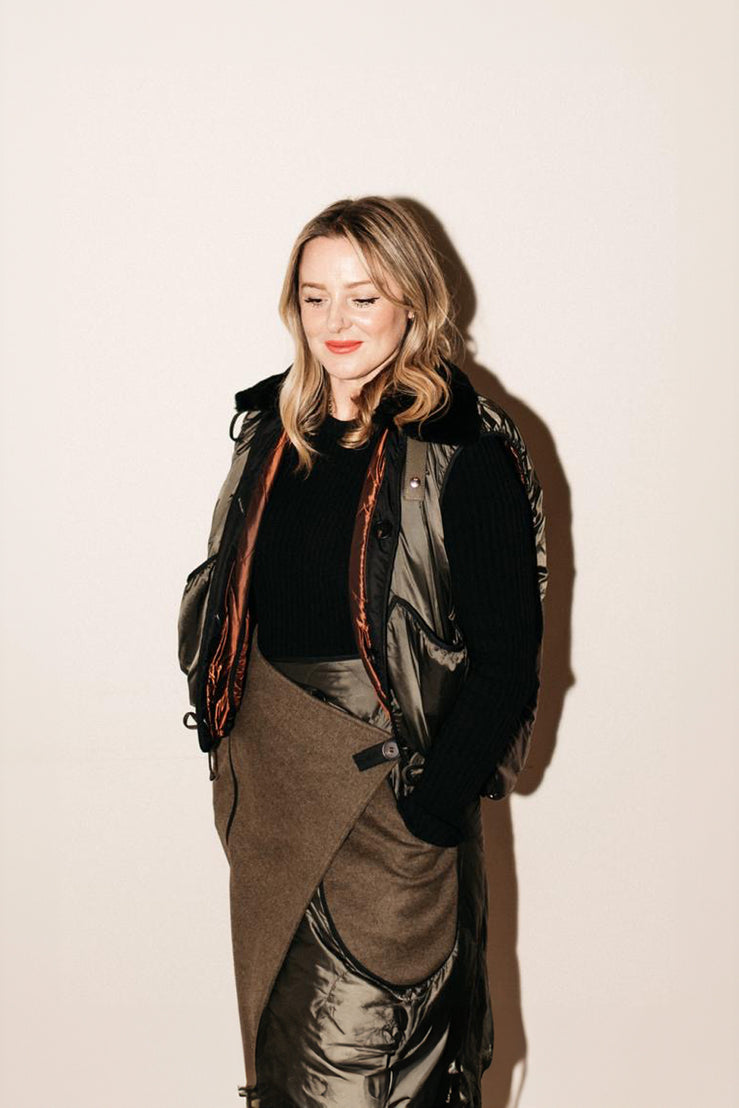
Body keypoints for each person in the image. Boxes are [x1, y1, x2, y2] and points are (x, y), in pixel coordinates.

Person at [177, 195, 547, 1108]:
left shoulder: (463, 451)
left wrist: (427, 815)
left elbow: (506, 666)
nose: (335, 321)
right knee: (282, 1076)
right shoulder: (271, 435)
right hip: (270, 815)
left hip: (385, 824)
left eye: (363, 297)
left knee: (362, 1081)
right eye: (314, 298)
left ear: (412, 302)